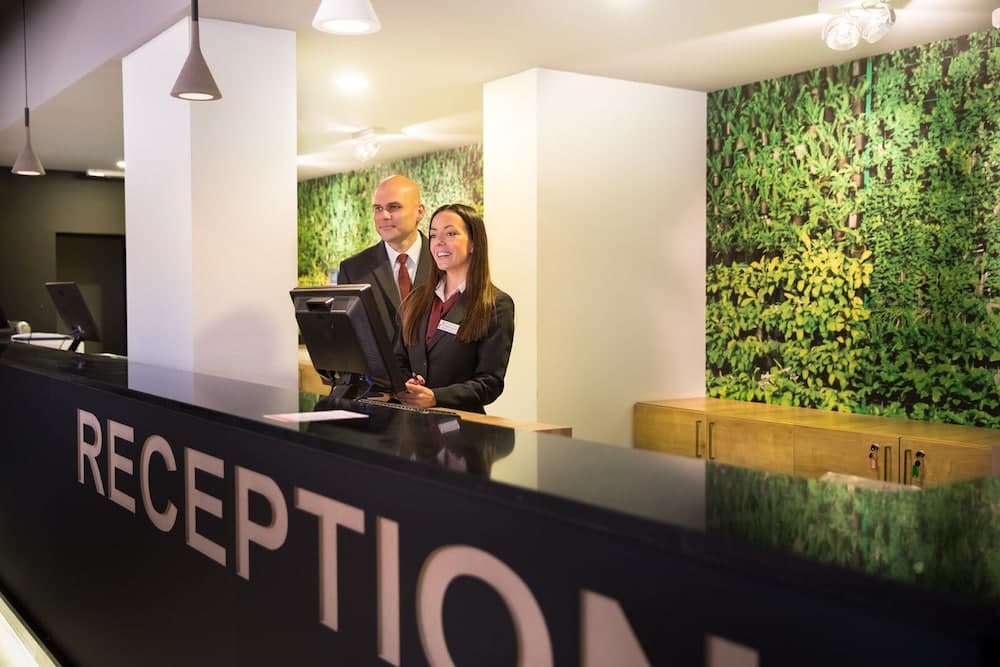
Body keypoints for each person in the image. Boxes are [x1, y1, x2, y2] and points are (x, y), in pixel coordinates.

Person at [394, 204, 515, 413]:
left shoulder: (496, 305)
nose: (439, 242)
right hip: (412, 422)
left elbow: (490, 383)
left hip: (462, 424)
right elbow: (397, 360)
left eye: (450, 233)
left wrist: (436, 397)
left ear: (473, 244)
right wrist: (407, 383)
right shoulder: (416, 299)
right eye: (433, 235)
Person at [337, 175, 434, 343]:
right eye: (378, 208)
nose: (384, 215)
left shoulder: (445, 262)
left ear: (419, 212)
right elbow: (346, 338)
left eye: (394, 207)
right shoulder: (353, 270)